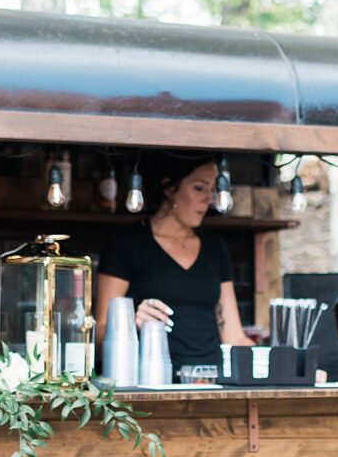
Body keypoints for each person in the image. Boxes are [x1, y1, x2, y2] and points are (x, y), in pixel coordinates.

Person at [96, 153, 253, 373]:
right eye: (199, 188)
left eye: (213, 189)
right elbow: (98, 335)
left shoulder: (215, 248)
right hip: (151, 387)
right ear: (169, 188)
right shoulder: (127, 243)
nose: (209, 199)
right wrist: (130, 323)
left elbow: (234, 336)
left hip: (211, 384)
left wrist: (294, 365)